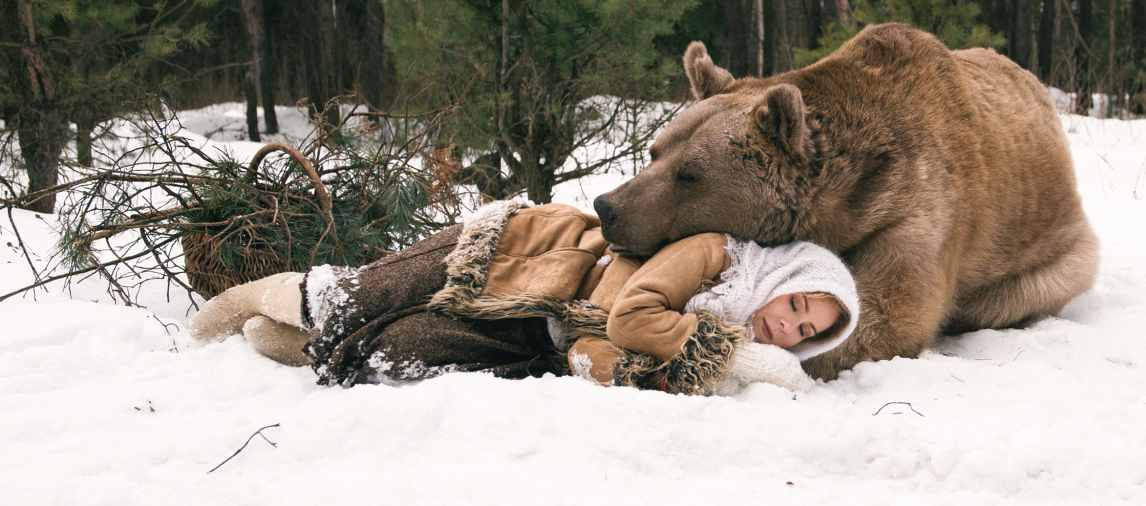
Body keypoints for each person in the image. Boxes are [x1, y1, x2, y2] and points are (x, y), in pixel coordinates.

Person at [190, 200, 858, 395]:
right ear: (784, 281)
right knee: (363, 297)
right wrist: (731, 353)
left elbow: (606, 356)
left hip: (533, 337)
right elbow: (630, 315)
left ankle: (286, 343)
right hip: (526, 254)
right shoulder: (718, 255)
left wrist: (620, 372)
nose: (787, 327)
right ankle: (249, 301)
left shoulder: (711, 362)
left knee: (392, 354)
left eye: (805, 335)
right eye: (797, 306)